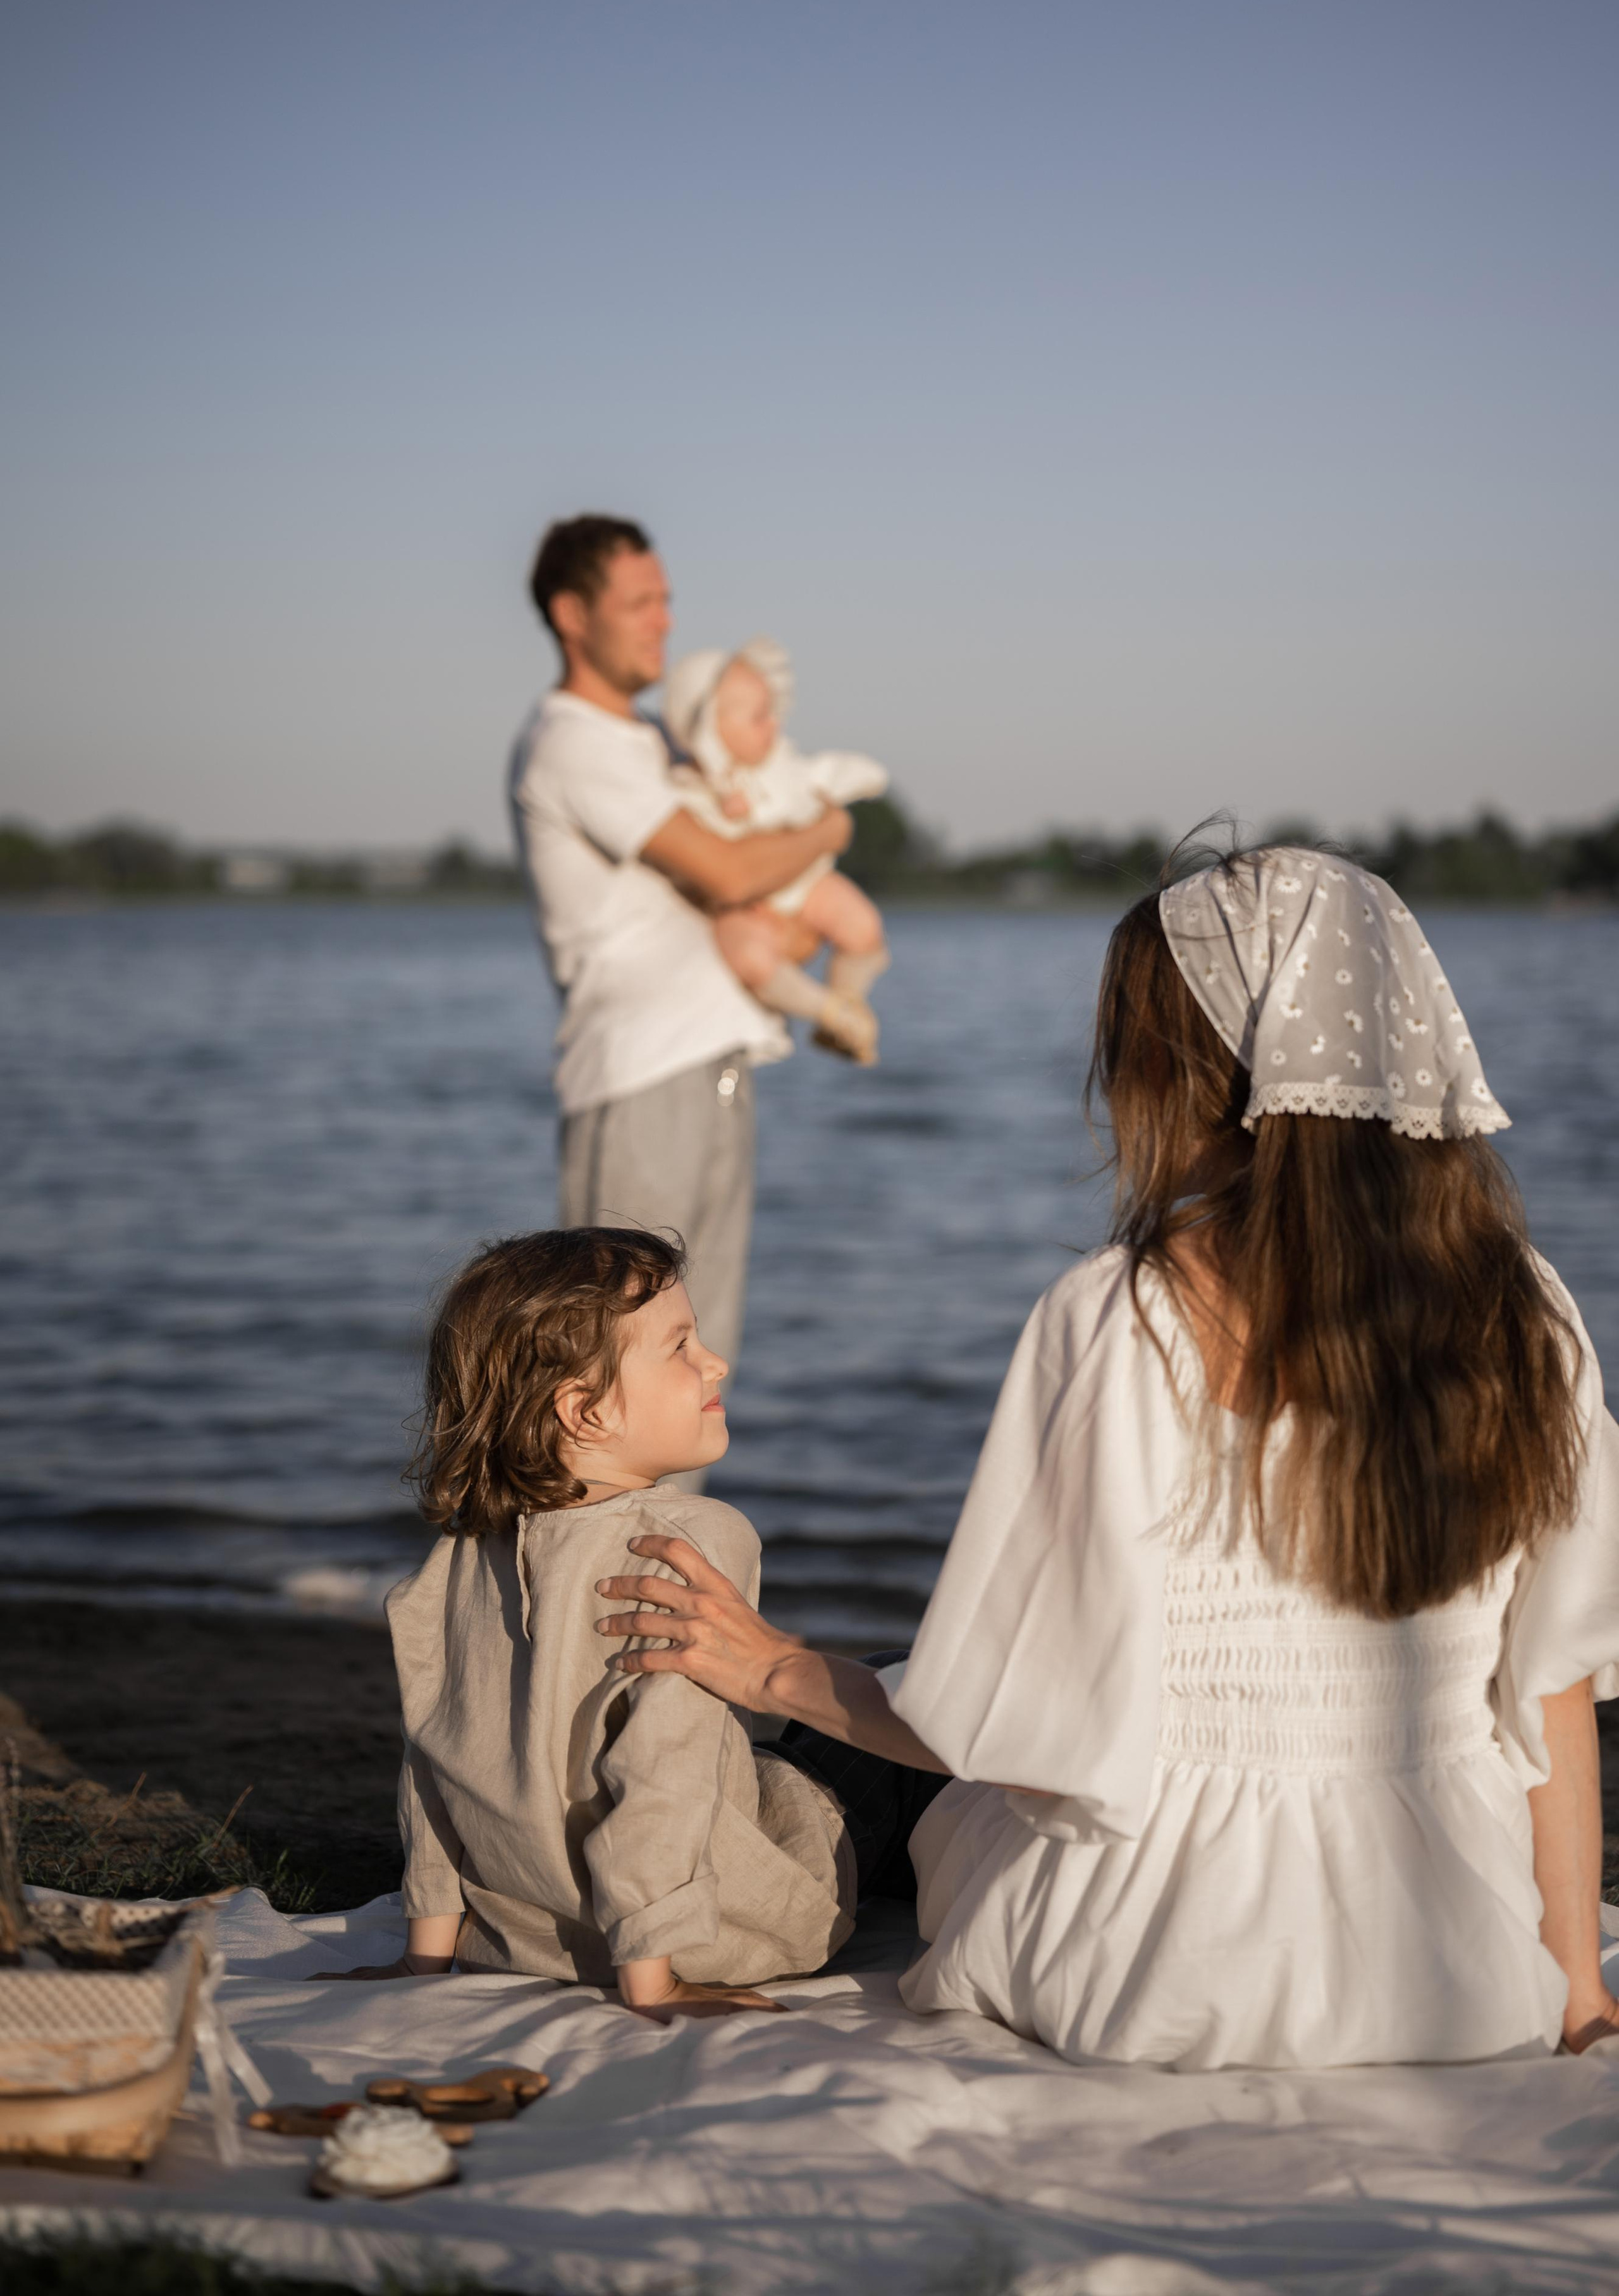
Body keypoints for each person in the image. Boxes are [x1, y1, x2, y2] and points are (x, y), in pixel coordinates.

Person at [595, 846, 1619, 2072]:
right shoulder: (1531, 1314)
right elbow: (1548, 1684)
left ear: (1181, 1074)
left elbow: (998, 1723)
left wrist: (765, 1667)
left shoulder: (1119, 1318)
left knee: (860, 1727)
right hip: (1452, 1968)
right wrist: (1567, 1986)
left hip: (1147, 1964)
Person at [341, 1227, 856, 2012]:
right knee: (889, 1720)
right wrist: (656, 1982)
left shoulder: (462, 1553)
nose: (714, 1362)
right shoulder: (690, 1542)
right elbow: (662, 1771)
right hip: (705, 1931)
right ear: (582, 1411)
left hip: (527, 1937)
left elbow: (434, 1763)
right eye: (680, 1346)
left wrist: (425, 1959)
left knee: (801, 1738)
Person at [508, 516, 853, 1384]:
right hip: (639, 1086)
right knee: (617, 1373)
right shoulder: (572, 742)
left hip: (713, 1069)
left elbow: (762, 903)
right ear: (572, 614)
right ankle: (589, 1528)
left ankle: (676, 1528)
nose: (665, 620)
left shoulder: (661, 744)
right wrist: (832, 826)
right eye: (639, 602)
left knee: (698, 1366)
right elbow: (734, 871)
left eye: (666, 599)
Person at [662, 638, 890, 1065]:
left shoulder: (785, 768)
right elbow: (713, 867)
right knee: (746, 956)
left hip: (739, 1049)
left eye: (772, 713)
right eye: (757, 717)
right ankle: (831, 1012)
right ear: (711, 728)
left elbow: (827, 779)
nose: (774, 726)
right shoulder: (686, 791)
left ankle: (846, 1007)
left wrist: (857, 787)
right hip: (704, 1045)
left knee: (862, 925)